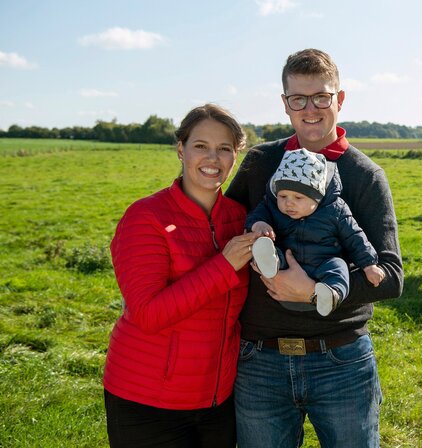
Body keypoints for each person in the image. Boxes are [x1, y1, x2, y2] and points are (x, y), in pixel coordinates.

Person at [226, 48, 404, 447]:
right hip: (260, 360)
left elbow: (391, 277)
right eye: (298, 99)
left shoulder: (365, 176)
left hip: (339, 360)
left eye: (321, 97)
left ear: (339, 99)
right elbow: (221, 228)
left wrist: (310, 292)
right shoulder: (260, 163)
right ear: (285, 103)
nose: (311, 109)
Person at [103, 104, 262, 447]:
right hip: (147, 398)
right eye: (201, 146)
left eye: (224, 149)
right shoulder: (146, 217)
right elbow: (147, 314)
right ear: (181, 149)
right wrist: (223, 265)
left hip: (219, 399)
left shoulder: (240, 218)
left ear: (237, 155)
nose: (213, 158)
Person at [247, 147, 386, 316]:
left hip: (323, 263)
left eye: (298, 198)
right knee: (274, 250)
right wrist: (259, 224)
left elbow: (354, 237)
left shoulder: (336, 210)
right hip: (286, 263)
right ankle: (268, 260)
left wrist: (369, 264)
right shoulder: (272, 206)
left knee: (339, 266)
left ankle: (331, 294)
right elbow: (256, 215)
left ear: (317, 197)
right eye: (283, 196)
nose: (288, 203)